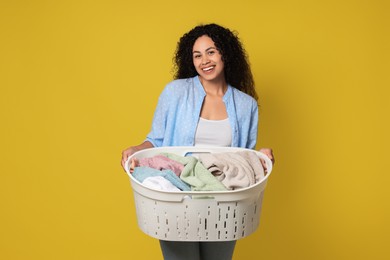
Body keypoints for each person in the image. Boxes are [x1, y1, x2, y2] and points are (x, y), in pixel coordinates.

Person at [121, 23, 274, 260]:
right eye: (197, 55)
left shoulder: (246, 106)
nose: (205, 60)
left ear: (225, 52)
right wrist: (136, 149)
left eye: (211, 51)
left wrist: (261, 157)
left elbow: (243, 160)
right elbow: (156, 140)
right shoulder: (174, 93)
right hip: (177, 195)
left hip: (223, 201)